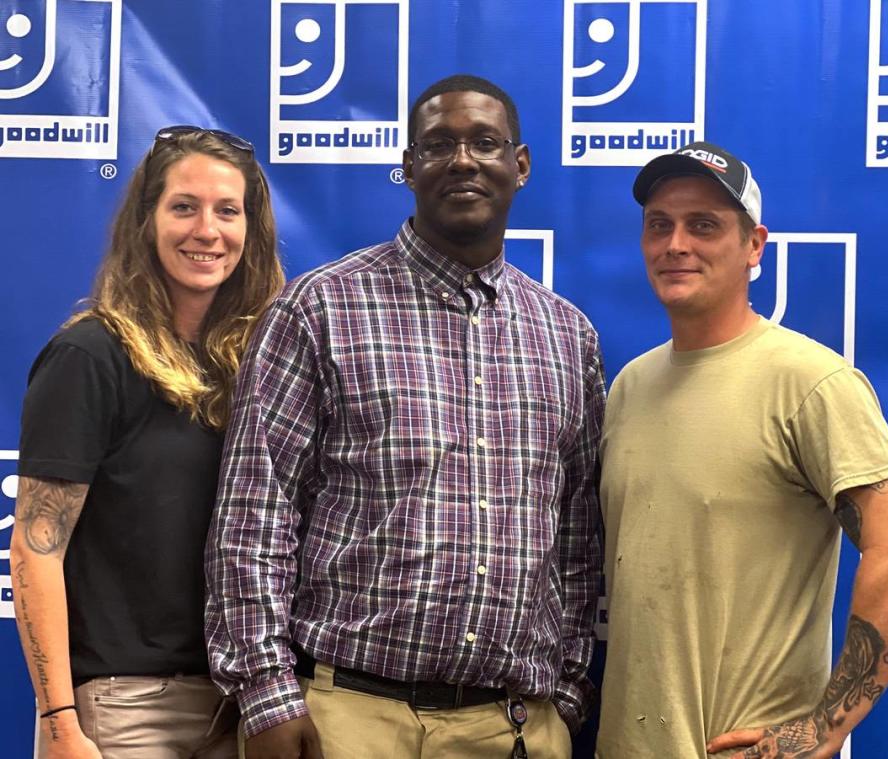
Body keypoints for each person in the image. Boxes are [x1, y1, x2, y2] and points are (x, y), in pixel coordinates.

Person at [204, 74, 604, 759]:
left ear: (521, 164)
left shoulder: (567, 336)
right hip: (350, 722)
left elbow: (577, 538)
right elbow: (255, 514)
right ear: (409, 166)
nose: (463, 160)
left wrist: (565, 696)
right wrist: (266, 691)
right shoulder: (320, 311)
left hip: (513, 728)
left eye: (485, 142)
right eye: (439, 144)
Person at [596, 141, 888, 759]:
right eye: (659, 225)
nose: (676, 244)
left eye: (703, 225)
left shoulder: (810, 382)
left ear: (754, 246)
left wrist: (824, 728)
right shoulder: (630, 386)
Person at [10, 126, 285, 759]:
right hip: (125, 710)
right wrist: (59, 722)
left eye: (227, 210)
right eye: (183, 206)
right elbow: (36, 547)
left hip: (247, 707)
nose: (207, 231)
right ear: (146, 219)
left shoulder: (263, 366)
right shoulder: (90, 356)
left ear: (252, 229)